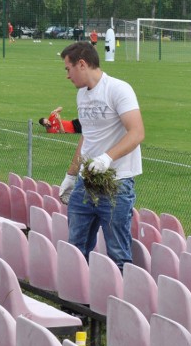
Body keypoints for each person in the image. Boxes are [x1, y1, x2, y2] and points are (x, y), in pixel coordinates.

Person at [57, 42, 144, 270]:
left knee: (118, 252)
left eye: (68, 69)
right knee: (75, 247)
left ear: (82, 64)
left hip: (116, 184)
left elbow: (137, 132)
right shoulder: (81, 96)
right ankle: (76, 301)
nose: (67, 76)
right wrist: (71, 174)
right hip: (85, 183)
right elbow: (87, 136)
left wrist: (107, 158)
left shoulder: (118, 89)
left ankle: (122, 302)